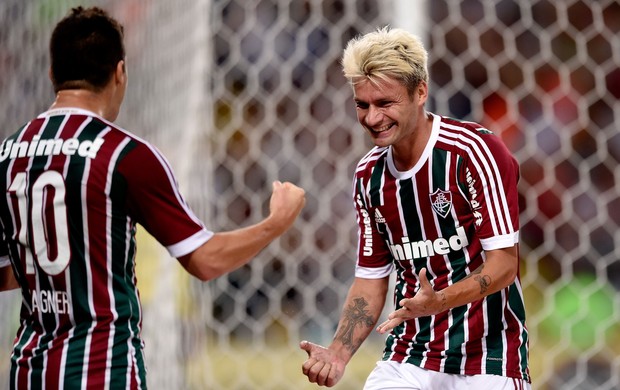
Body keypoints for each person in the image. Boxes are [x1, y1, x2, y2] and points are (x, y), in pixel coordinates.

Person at [0, 6, 305, 389]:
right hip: (102, 372)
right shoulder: (123, 155)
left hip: (28, 372)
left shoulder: (9, 152)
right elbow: (205, 260)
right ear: (120, 73)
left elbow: (7, 272)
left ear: (52, 74)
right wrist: (275, 223)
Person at [300, 27, 530, 389]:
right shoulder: (368, 174)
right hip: (409, 355)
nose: (372, 118)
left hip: (490, 358)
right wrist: (337, 354)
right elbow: (370, 280)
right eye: (362, 105)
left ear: (420, 91)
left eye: (385, 103)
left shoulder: (474, 153)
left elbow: (504, 263)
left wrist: (439, 300)